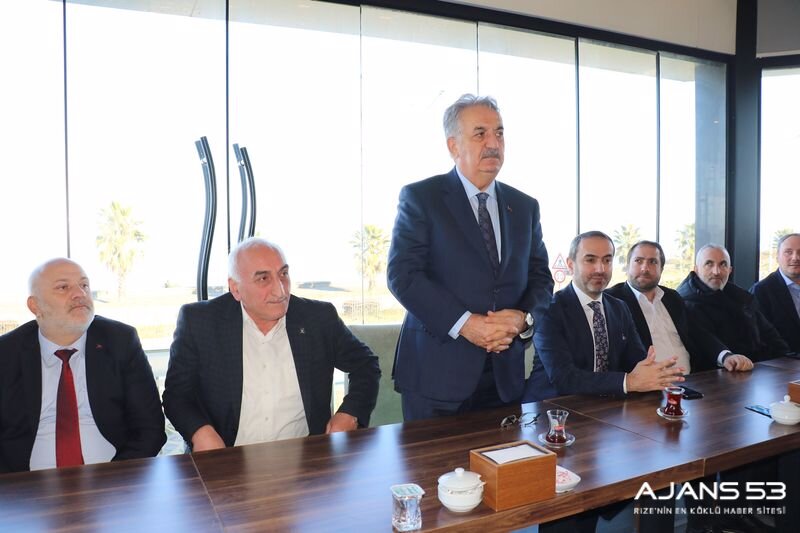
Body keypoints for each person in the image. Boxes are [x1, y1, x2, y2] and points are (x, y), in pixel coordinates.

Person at [387, 94, 553, 421]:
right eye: (480, 134)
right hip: (436, 376)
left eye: (499, 133)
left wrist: (524, 319)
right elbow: (403, 276)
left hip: (504, 379)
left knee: (505, 455)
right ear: (453, 146)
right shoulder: (422, 198)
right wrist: (465, 324)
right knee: (435, 458)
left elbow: (541, 278)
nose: (493, 143)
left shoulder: (524, 207)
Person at [162, 238, 381, 451]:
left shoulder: (317, 318)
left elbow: (365, 365)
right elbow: (177, 395)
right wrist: (201, 433)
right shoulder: (200, 322)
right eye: (263, 279)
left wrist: (350, 413)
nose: (280, 291)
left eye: (283, 274)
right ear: (235, 288)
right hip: (226, 458)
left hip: (307, 457)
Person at [0, 258, 165, 474]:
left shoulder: (120, 341)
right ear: (35, 305)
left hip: (115, 477)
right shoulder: (7, 353)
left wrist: (118, 478)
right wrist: (17, 487)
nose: (80, 294)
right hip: (27, 484)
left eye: (84, 285)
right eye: (63, 287)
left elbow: (150, 428)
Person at [523, 232, 684, 403]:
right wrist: (628, 382)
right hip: (553, 407)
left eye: (607, 260)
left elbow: (636, 361)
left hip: (606, 406)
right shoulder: (550, 309)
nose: (600, 269)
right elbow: (564, 378)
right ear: (570, 265)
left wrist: (652, 371)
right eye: (590, 260)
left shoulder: (619, 308)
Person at [606, 240, 753, 374]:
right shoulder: (612, 300)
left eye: (653, 262)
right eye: (638, 261)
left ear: (661, 268)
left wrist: (725, 356)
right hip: (647, 386)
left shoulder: (672, 297)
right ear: (627, 267)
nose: (645, 268)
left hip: (692, 381)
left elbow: (698, 333)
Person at [677, 243, 791, 361]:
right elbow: (706, 345)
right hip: (717, 368)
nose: (716, 271)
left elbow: (769, 334)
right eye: (709, 264)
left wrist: (787, 359)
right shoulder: (685, 303)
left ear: (730, 270)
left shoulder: (742, 298)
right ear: (696, 269)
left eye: (723, 264)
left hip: (757, 365)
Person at [750, 233, 800, 352]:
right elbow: (760, 338)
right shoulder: (761, 291)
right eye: (788, 252)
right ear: (777, 257)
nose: (795, 258)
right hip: (781, 360)